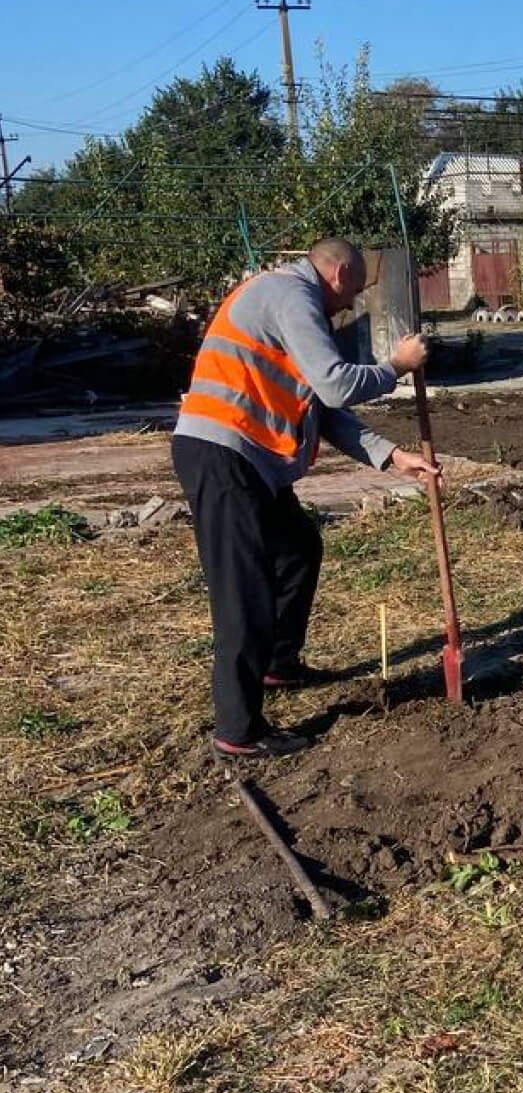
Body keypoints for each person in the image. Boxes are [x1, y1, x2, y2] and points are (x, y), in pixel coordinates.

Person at [171, 238, 439, 760]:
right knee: (242, 593)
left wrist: (391, 456)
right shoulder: (291, 295)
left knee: (297, 548)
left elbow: (322, 408)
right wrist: (396, 366)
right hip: (222, 454)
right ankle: (238, 730)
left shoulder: (296, 307)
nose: (352, 304)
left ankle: (277, 663)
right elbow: (338, 386)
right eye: (354, 291)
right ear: (338, 274)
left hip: (249, 459)